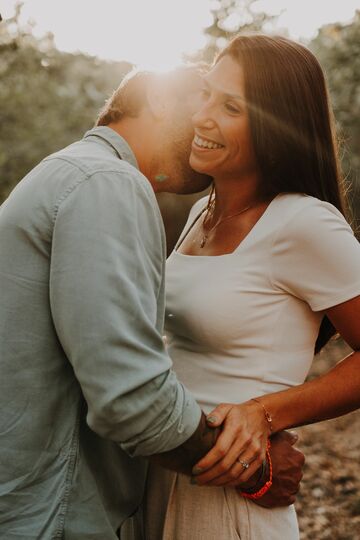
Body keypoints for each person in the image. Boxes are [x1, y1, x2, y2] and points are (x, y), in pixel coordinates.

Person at [0, 66, 304, 539]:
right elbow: (132, 397)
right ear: (161, 99)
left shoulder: (70, 172)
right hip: (49, 516)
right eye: (202, 101)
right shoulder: (108, 182)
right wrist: (254, 467)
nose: (207, 123)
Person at [143, 35, 360, 539]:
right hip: (159, 478)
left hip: (228, 502)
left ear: (274, 124)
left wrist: (264, 414)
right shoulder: (203, 211)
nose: (202, 116)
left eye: (231, 106)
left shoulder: (304, 222)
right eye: (206, 94)